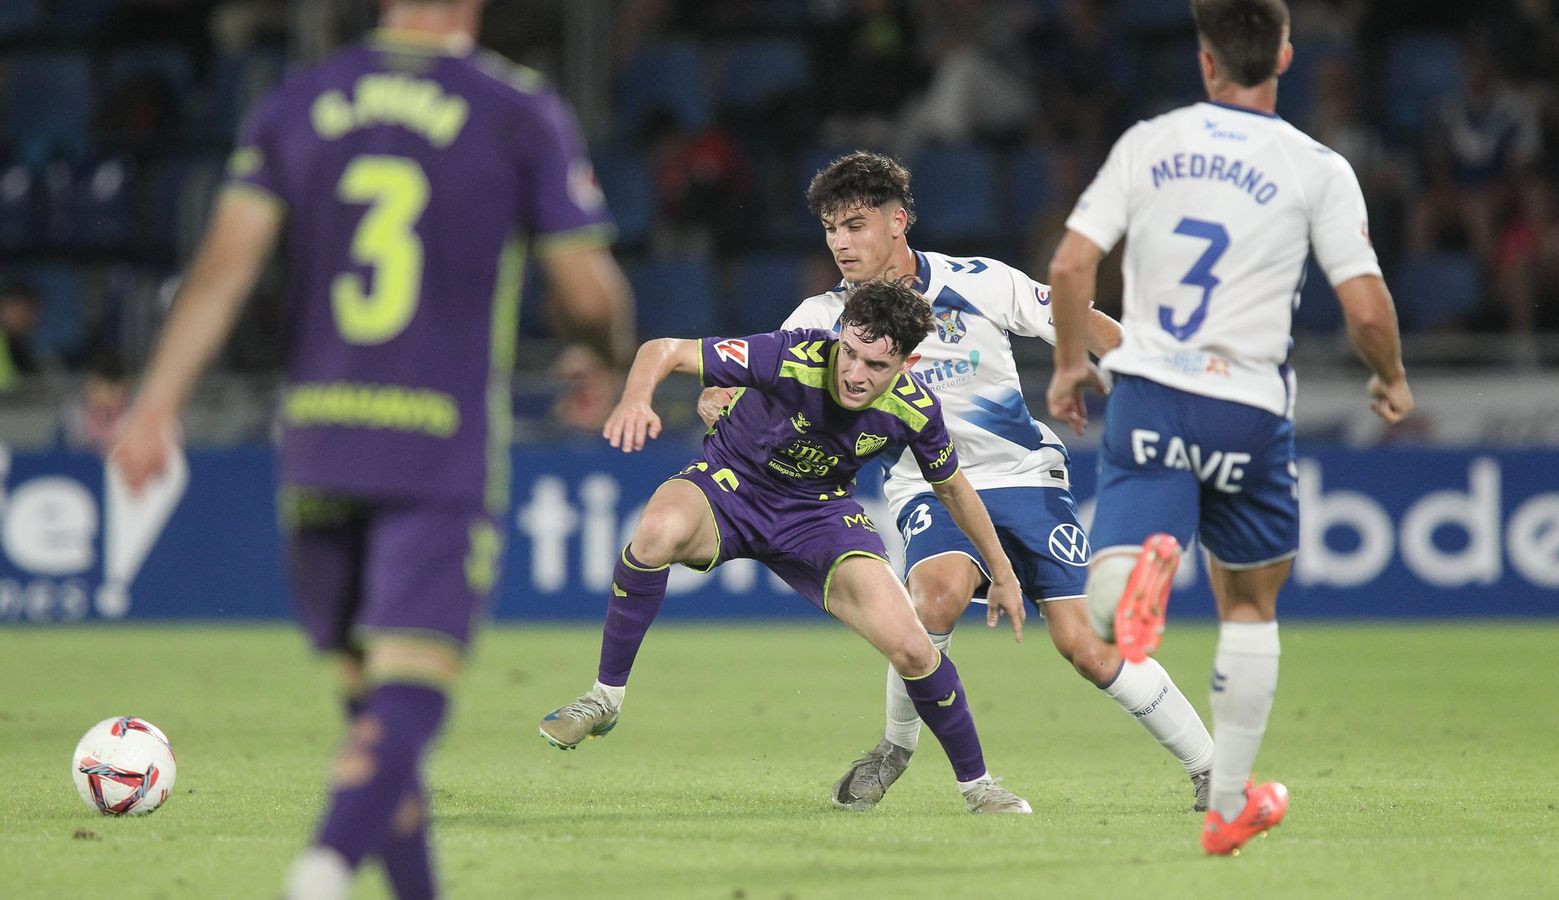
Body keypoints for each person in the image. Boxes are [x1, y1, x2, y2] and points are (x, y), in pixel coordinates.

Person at [109, 1, 635, 896]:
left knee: (371, 713)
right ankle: (323, 868)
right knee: (411, 696)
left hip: (317, 441)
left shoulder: (297, 99)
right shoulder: (516, 106)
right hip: (437, 447)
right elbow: (584, 289)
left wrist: (155, 403)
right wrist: (615, 357)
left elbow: (222, 269)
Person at [699, 151, 1216, 813]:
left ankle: (1210, 768)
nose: (840, 242)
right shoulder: (821, 314)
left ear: (898, 221)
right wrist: (715, 402)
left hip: (1024, 475)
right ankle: (897, 747)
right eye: (830, 228)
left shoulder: (978, 282)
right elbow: (742, 376)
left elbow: (1074, 316)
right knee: (935, 594)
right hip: (926, 484)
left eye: (855, 224)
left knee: (1084, 645)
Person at [1047, 0, 1414, 856]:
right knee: (1250, 603)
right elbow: (1364, 306)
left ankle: (1137, 583)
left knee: (1106, 603)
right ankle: (1229, 806)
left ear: (1206, 61)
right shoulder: (1315, 164)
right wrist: (1389, 376)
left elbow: (1070, 263)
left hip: (1149, 391)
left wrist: (1069, 363)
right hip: (1248, 406)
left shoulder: (1149, 141)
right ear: (1285, 54)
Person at [540, 280, 1034, 815]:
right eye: (850, 352)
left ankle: (979, 787)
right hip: (730, 486)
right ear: (839, 334)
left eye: (875, 365)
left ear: (908, 364)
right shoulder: (790, 353)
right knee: (656, 532)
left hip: (817, 516)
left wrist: (1002, 571)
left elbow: (954, 489)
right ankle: (604, 698)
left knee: (916, 648)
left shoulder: (916, 410)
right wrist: (636, 399)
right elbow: (662, 350)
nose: (854, 373)